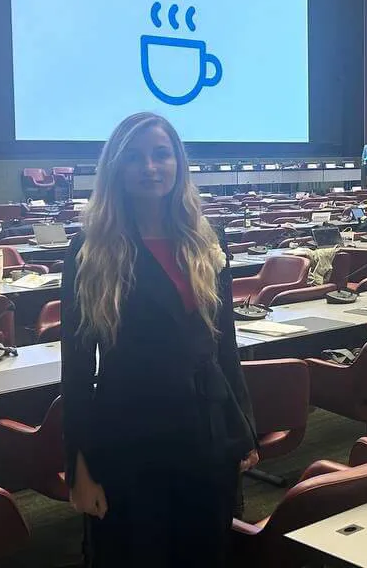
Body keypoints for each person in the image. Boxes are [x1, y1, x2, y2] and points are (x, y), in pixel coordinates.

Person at [61, 113, 257, 567]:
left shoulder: (205, 239)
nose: (149, 167)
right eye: (134, 157)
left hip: (204, 432)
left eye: (161, 155)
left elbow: (224, 344)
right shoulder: (90, 249)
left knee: (204, 553)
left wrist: (243, 425)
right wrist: (79, 467)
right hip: (128, 435)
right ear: (116, 168)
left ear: (178, 163)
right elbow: (77, 367)